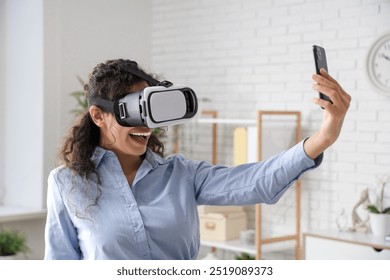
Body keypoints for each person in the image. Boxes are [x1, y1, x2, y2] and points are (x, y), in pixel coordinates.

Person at [44, 59, 351, 260]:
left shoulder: (181, 175)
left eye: (151, 113)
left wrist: (323, 137)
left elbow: (254, 182)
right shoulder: (66, 183)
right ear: (98, 115)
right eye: (135, 112)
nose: (146, 126)